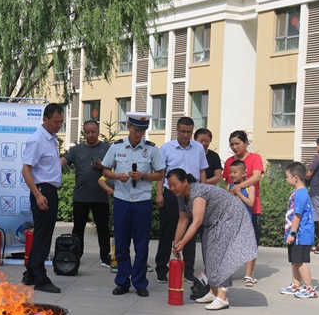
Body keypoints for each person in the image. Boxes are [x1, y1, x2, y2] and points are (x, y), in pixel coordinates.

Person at [169, 169, 258, 310]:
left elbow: (197, 222)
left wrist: (182, 243)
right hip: (214, 221)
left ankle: (222, 297)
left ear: (185, 182)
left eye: (174, 184)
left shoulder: (197, 193)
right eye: (170, 185)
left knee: (219, 255)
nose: (172, 188)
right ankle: (213, 291)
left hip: (230, 216)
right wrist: (176, 243)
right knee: (208, 252)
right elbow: (183, 220)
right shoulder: (181, 197)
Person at [102, 112, 165, 297]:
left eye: (143, 130)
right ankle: (122, 281)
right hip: (122, 199)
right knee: (121, 243)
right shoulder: (117, 147)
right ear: (129, 126)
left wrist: (144, 176)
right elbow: (106, 170)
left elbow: (161, 174)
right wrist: (116, 176)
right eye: (136, 129)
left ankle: (140, 283)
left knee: (141, 244)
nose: (139, 134)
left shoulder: (152, 149)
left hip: (141, 201)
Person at [155, 117, 208, 284]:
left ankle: (188, 271)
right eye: (182, 131)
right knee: (167, 231)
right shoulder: (166, 148)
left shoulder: (198, 147)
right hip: (171, 194)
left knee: (191, 233)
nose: (185, 135)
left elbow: (202, 171)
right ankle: (162, 269)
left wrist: (205, 192)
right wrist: (159, 193)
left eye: (189, 132)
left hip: (193, 194)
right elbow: (160, 173)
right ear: (176, 130)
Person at [21, 103, 64, 293]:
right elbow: (26, 170)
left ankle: (30, 273)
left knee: (42, 233)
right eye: (56, 122)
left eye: (61, 122)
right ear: (45, 119)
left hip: (48, 190)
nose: (59, 126)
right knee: (43, 236)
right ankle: (40, 277)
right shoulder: (38, 139)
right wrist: (38, 195)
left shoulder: (51, 138)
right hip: (42, 191)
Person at [60, 120, 111, 267]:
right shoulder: (77, 150)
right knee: (78, 228)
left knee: (103, 228)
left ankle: (105, 256)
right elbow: (64, 160)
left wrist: (103, 165)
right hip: (81, 196)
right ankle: (76, 254)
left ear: (98, 131)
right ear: (84, 132)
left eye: (93, 131)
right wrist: (52, 166)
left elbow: (116, 165)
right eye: (87, 132)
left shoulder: (107, 148)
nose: (90, 135)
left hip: (101, 196)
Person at [222, 130, 263, 288]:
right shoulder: (229, 161)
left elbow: (256, 177)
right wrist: (229, 192)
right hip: (234, 209)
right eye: (232, 144)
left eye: (237, 143)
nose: (234, 147)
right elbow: (226, 182)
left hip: (252, 208)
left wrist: (238, 188)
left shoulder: (255, 158)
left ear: (246, 143)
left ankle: (249, 274)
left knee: (251, 241)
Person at [279, 162, 317, 299]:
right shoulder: (298, 193)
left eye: (287, 176)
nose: (286, 179)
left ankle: (309, 288)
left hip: (300, 235)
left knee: (300, 261)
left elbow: (297, 215)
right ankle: (296, 284)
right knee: (295, 260)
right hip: (296, 234)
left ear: (295, 177)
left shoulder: (300, 194)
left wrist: (292, 233)